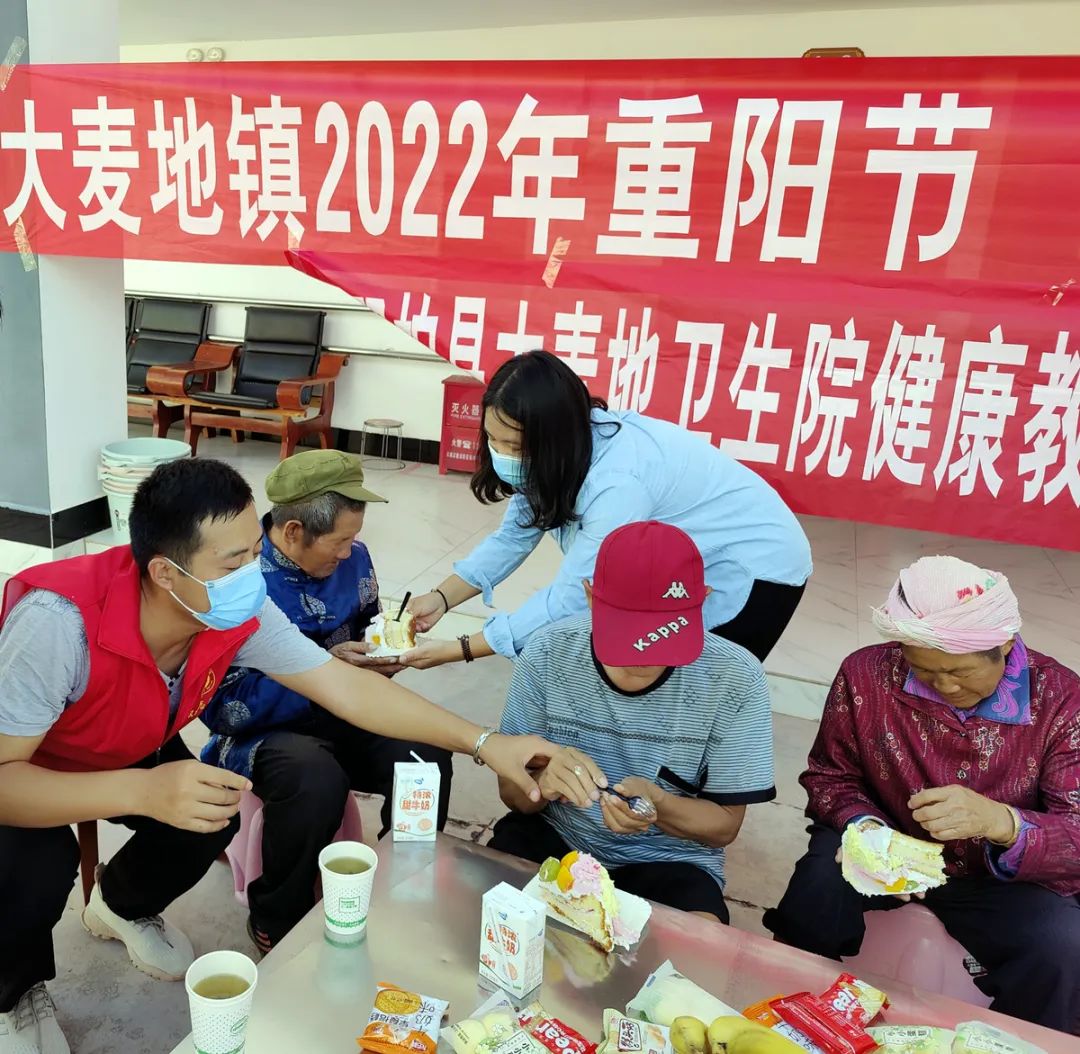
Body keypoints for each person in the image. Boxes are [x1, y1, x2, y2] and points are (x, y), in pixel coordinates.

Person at [0, 458, 550, 1054]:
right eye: (233, 563)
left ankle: (118, 905)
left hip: (132, 736)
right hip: (35, 762)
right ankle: (11, 993)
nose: (252, 576)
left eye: (254, 553)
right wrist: (143, 791)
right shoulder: (58, 624)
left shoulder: (237, 612)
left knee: (211, 808)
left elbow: (345, 688)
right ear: (164, 572)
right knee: (34, 864)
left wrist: (484, 742)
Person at [764, 555, 1080, 1035]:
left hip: (996, 877)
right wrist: (866, 829)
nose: (945, 685)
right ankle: (787, 1023)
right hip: (886, 848)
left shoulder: (1062, 702)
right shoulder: (866, 675)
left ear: (1005, 644)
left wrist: (1002, 822)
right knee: (815, 892)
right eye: (924, 670)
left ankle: (1013, 1043)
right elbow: (829, 777)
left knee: (1061, 946)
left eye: (960, 671)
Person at [403, 350, 811, 671]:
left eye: (515, 446)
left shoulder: (617, 483)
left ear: (553, 439)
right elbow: (513, 536)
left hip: (755, 565)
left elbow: (571, 598)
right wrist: (441, 598)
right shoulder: (557, 454)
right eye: (494, 440)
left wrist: (461, 649)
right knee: (640, 667)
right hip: (687, 560)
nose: (502, 454)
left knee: (699, 689)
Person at [200, 450, 454, 953]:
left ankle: (400, 887)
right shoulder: (243, 581)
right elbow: (222, 703)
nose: (349, 552)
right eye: (338, 542)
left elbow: (365, 628)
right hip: (264, 727)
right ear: (294, 532)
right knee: (316, 779)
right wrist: (322, 668)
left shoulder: (353, 559)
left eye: (353, 538)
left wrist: (383, 650)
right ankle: (277, 915)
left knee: (425, 755)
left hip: (346, 706)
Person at [488, 520, 776, 922]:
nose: (644, 654)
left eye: (664, 634)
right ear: (590, 597)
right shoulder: (549, 653)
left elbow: (724, 826)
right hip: (558, 837)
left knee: (699, 944)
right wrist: (543, 784)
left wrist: (661, 805)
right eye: (628, 632)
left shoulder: (735, 679)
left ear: (702, 603)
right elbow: (512, 792)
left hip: (670, 859)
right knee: (492, 918)